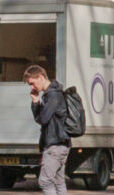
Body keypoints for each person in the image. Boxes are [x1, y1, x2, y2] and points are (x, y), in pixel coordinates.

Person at [31, 63, 80, 195]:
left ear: (40, 77)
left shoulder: (52, 95)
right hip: (62, 143)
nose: (32, 87)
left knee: (45, 181)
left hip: (55, 144)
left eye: (32, 83)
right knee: (59, 182)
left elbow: (43, 119)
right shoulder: (56, 93)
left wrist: (36, 103)